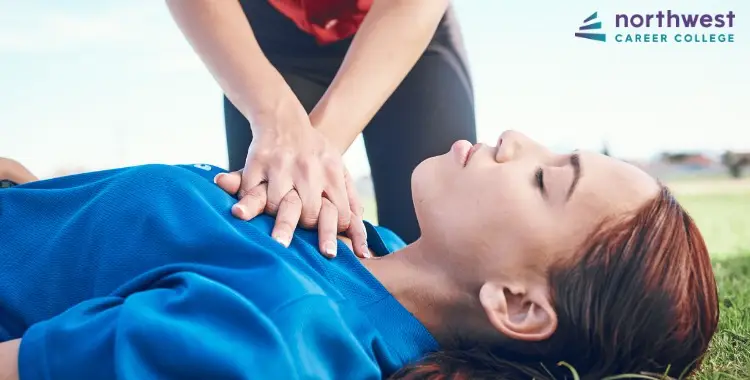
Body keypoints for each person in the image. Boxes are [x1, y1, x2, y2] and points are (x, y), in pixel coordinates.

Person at [0, 131, 717, 379]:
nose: (514, 137)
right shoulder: (369, 249)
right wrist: (37, 199)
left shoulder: (274, 339)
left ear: (519, 304)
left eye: (545, 179)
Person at [164, 0, 476, 250]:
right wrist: (276, 121)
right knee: (282, 244)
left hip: (400, 23)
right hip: (266, 38)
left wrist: (309, 155)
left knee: (441, 234)